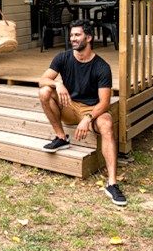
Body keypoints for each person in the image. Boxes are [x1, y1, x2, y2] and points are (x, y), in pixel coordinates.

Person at [38, 20, 127, 206]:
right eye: (71, 35)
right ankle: (61, 137)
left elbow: (104, 103)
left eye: (77, 35)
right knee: (45, 91)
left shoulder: (102, 67)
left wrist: (88, 118)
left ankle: (112, 183)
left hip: (91, 109)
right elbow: (43, 80)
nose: (73, 39)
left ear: (89, 37)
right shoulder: (62, 58)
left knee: (107, 125)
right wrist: (57, 83)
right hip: (69, 106)